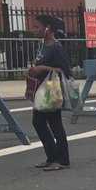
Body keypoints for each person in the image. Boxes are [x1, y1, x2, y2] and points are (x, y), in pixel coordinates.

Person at [25, 14, 71, 171]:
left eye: (37, 27)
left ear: (48, 29)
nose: (34, 30)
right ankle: (52, 156)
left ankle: (63, 159)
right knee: (37, 122)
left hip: (52, 91)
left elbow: (65, 72)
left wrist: (43, 68)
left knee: (55, 123)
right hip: (41, 91)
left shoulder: (57, 48)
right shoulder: (43, 46)